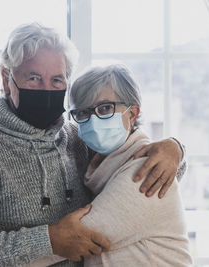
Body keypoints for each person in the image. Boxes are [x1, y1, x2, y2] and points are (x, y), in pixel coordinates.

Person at [0, 23, 186, 266]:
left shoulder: (79, 138)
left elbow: (144, 181)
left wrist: (175, 150)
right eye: (34, 78)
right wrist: (48, 240)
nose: (46, 89)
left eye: (57, 80)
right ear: (6, 79)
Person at [70, 64, 192, 266]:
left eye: (105, 108)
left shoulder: (146, 168)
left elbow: (76, 237)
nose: (93, 120)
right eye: (83, 112)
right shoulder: (100, 166)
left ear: (132, 113)